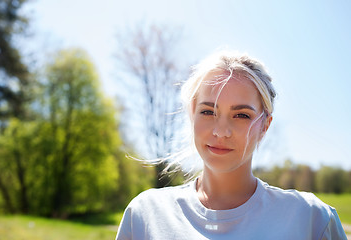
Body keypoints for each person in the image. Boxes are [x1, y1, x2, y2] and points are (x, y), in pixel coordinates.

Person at [115, 50, 347, 240]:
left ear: (265, 125)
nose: (221, 131)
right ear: (191, 116)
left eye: (242, 115)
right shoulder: (144, 216)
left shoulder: (312, 221)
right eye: (207, 112)